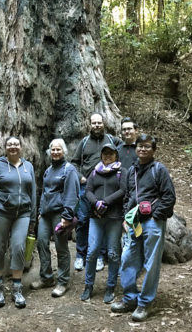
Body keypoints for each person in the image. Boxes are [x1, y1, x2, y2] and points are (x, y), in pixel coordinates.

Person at [111, 134, 176, 322]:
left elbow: (169, 197)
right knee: (128, 258)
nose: (143, 149)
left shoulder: (159, 170)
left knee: (151, 262)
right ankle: (130, 298)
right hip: (134, 222)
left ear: (153, 150)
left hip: (153, 222)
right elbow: (128, 196)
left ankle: (144, 302)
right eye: (140, 146)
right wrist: (127, 216)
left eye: (147, 146)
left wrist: (155, 215)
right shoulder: (132, 171)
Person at [0, 136, 37, 309]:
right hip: (1, 213)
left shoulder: (28, 166)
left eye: (16, 144)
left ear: (21, 147)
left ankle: (16, 288)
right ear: (5, 148)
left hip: (23, 214)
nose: (13, 146)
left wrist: (33, 217)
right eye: (10, 144)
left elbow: (33, 192)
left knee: (18, 247)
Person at [71, 113, 123, 272]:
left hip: (106, 187)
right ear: (90, 125)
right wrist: (80, 177)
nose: (97, 125)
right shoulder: (85, 142)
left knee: (103, 221)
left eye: (99, 122)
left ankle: (100, 256)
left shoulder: (112, 140)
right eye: (94, 123)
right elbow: (74, 162)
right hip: (87, 188)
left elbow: (125, 152)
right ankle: (81, 255)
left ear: (104, 123)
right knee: (83, 220)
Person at [30, 138, 80, 297]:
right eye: (53, 149)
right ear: (49, 152)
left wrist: (67, 216)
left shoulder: (69, 169)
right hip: (45, 214)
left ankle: (63, 281)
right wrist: (40, 211)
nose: (56, 152)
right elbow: (44, 192)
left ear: (64, 151)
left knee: (61, 246)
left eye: (59, 149)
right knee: (42, 242)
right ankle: (46, 278)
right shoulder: (48, 170)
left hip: (60, 214)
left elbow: (72, 194)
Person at [80, 143, 127, 304]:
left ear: (116, 155)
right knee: (92, 251)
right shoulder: (95, 171)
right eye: (105, 153)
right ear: (101, 155)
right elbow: (88, 191)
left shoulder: (122, 172)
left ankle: (110, 287)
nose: (108, 156)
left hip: (114, 217)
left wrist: (105, 202)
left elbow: (123, 190)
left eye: (111, 153)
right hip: (96, 217)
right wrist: (96, 203)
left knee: (113, 253)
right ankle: (88, 285)